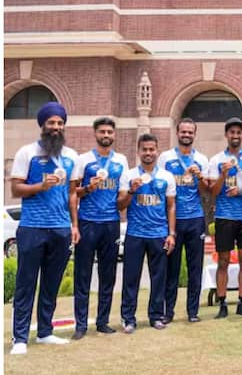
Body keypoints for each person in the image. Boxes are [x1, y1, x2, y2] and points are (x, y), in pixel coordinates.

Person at [9, 102, 81, 355]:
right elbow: (15, 189)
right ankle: (19, 338)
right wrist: (40, 186)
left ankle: (45, 332)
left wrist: (74, 225)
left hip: (61, 229)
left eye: (60, 123)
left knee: (52, 283)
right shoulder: (26, 153)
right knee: (26, 283)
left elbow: (73, 194)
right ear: (42, 125)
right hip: (32, 227)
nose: (56, 127)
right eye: (51, 122)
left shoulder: (71, 156)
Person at [73, 117, 129, 340]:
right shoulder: (83, 159)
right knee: (83, 274)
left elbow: (123, 191)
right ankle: (80, 324)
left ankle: (103, 321)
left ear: (114, 135)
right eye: (102, 131)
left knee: (108, 274)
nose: (106, 135)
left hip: (111, 223)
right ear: (95, 133)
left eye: (109, 132)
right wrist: (88, 188)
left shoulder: (121, 160)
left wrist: (125, 196)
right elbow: (73, 192)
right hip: (87, 222)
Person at [117, 134, 176, 333]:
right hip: (135, 233)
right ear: (138, 151)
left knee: (158, 278)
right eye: (145, 149)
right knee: (130, 278)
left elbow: (171, 207)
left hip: (158, 233)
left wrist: (171, 234)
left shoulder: (166, 177)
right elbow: (120, 205)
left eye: (152, 149)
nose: (148, 153)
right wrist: (132, 191)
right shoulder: (129, 175)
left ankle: (156, 316)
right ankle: (128, 319)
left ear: (157, 151)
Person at [157, 118, 209, 323]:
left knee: (195, 267)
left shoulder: (202, 160)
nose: (186, 135)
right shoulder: (166, 158)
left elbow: (207, 193)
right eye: (183, 132)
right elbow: (158, 185)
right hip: (172, 221)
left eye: (190, 132)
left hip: (195, 219)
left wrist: (201, 178)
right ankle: (168, 312)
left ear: (194, 135)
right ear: (177, 133)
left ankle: (193, 312)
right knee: (172, 268)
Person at [208, 117, 242, 318]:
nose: (235, 136)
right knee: (223, 261)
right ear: (226, 135)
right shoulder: (216, 160)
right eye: (232, 132)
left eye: (239, 133)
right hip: (224, 216)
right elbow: (212, 191)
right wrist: (223, 174)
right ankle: (222, 305)